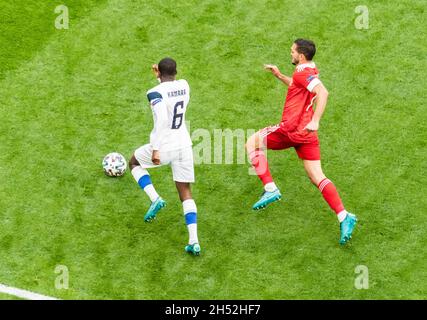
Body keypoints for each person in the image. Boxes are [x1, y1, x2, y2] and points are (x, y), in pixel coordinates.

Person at [246, 39, 357, 245]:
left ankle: (270, 188)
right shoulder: (310, 69)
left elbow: (323, 93)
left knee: (251, 143)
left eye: (292, 52)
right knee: (317, 176)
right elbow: (299, 86)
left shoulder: (301, 72)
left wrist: (316, 121)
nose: (291, 54)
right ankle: (344, 216)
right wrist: (279, 75)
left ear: (301, 55)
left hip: (292, 129)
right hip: (306, 135)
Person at [129, 57, 201, 255]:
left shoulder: (154, 93)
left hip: (166, 146)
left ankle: (155, 198)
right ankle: (194, 241)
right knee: (185, 191)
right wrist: (160, 76)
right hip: (184, 145)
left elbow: (161, 119)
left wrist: (156, 149)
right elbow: (171, 88)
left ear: (159, 73)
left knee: (134, 162)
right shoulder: (185, 86)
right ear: (176, 72)